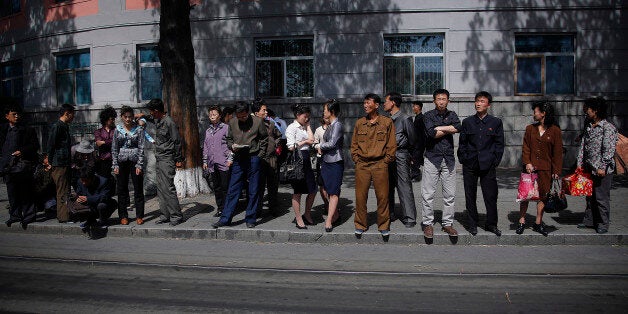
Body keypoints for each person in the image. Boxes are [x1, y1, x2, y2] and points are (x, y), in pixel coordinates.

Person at [212, 102, 268, 229]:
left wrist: (260, 155)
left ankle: (250, 218)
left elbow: (264, 139)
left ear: (248, 113)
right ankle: (225, 219)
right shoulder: (232, 122)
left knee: (253, 190)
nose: (242, 119)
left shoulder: (258, 122)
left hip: (253, 157)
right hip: (238, 158)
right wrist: (232, 146)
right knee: (233, 189)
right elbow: (229, 139)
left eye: (244, 116)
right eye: (239, 116)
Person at [457, 91, 504, 236]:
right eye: (477, 101)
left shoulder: (495, 122)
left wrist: (494, 161)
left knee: (490, 196)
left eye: (482, 101)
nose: (478, 104)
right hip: (470, 165)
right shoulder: (467, 122)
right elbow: (462, 143)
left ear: (488, 105)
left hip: (487, 165)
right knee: (470, 195)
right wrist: (464, 159)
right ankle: (472, 224)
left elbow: (499, 144)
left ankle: (491, 224)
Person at [351, 93, 396, 239]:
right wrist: (356, 159)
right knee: (360, 196)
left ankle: (383, 225)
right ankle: (360, 224)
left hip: (380, 164)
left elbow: (391, 144)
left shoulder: (386, 122)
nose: (365, 105)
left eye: (368, 103)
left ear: (376, 105)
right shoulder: (359, 123)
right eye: (364, 103)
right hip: (362, 165)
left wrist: (386, 161)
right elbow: (354, 145)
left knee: (382, 197)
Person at [517, 101, 563, 236]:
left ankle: (538, 222)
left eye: (535, 111)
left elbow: (558, 153)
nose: (533, 114)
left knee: (543, 196)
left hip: (546, 169)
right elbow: (525, 147)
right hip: (529, 169)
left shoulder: (555, 130)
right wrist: (527, 163)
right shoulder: (530, 128)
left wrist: (556, 171)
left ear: (543, 113)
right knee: (525, 196)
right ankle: (521, 221)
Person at [136, 99, 184, 226]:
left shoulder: (169, 122)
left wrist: (179, 159)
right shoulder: (158, 120)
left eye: (151, 111)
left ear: (156, 111)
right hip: (159, 157)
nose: (151, 114)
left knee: (168, 187)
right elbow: (151, 119)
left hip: (167, 159)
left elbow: (177, 141)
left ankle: (176, 216)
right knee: (161, 188)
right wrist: (143, 116)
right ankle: (165, 215)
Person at [421, 89, 461, 239]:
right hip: (432, 158)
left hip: (449, 159)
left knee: (450, 195)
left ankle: (447, 224)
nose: (441, 101)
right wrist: (449, 129)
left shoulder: (452, 114)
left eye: (444, 99)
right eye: (439, 99)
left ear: (448, 101)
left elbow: (459, 127)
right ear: (434, 101)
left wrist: (440, 127)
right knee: (428, 194)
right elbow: (432, 134)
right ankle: (428, 224)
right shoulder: (428, 115)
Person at [577, 97, 618, 234]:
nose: (585, 111)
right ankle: (590, 220)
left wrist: (603, 166)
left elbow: (609, 149)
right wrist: (580, 163)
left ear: (595, 110)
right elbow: (584, 145)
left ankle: (603, 223)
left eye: (587, 109)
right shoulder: (589, 125)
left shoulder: (608, 128)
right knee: (590, 196)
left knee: (601, 197)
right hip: (589, 167)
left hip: (601, 169)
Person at [0, 105, 39, 229]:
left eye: (18, 114)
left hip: (22, 166)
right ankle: (15, 215)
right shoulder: (3, 130)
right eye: (14, 114)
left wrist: (21, 151)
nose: (17, 116)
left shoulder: (27, 130)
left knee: (25, 191)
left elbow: (34, 146)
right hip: (7, 167)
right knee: (12, 192)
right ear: (7, 116)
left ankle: (29, 215)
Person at [383, 92, 418, 228]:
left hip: (400, 156)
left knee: (404, 187)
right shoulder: (386, 120)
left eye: (386, 101)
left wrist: (410, 158)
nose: (384, 103)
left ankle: (409, 217)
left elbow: (413, 140)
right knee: (387, 186)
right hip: (387, 157)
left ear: (393, 102)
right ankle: (390, 213)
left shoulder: (404, 119)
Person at [112, 106, 146, 225]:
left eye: (130, 117)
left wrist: (139, 165)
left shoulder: (139, 129)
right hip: (121, 161)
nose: (128, 119)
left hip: (135, 161)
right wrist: (115, 164)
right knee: (122, 190)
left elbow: (142, 147)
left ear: (133, 117)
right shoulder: (117, 130)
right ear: (122, 117)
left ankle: (139, 215)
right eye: (125, 117)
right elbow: (114, 148)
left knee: (138, 189)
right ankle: (123, 216)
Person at [285, 104, 317, 229]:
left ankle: (307, 214)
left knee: (313, 190)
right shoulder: (291, 128)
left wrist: (308, 126)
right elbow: (290, 147)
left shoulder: (304, 127)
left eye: (309, 117)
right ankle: (298, 218)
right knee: (297, 192)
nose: (307, 119)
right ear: (298, 115)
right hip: (297, 160)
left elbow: (312, 139)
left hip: (306, 159)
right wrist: (304, 142)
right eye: (305, 116)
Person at [46, 103, 75, 223]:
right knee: (62, 190)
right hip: (59, 163)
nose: (73, 117)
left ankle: (65, 214)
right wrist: (49, 161)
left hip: (64, 162)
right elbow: (51, 144)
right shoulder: (57, 126)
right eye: (72, 115)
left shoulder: (63, 126)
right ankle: (63, 217)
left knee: (65, 189)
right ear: (67, 114)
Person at [252, 99, 282, 216]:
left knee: (273, 185)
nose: (266, 112)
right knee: (258, 186)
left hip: (271, 159)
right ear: (256, 113)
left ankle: (273, 208)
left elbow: (279, 136)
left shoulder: (271, 123)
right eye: (263, 110)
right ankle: (257, 209)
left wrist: (275, 144)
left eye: (266, 110)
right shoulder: (252, 125)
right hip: (259, 159)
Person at [318, 99, 344, 232]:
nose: (323, 112)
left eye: (325, 110)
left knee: (333, 192)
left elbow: (332, 143)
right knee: (326, 189)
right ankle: (336, 214)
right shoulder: (330, 125)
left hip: (335, 162)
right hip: (326, 161)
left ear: (331, 111)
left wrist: (319, 146)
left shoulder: (337, 125)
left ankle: (329, 221)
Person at [203, 105, 232, 218]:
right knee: (217, 188)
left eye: (214, 114)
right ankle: (220, 209)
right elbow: (205, 146)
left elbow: (231, 144)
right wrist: (205, 161)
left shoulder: (226, 128)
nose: (212, 116)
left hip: (224, 162)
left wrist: (230, 159)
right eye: (210, 114)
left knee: (225, 187)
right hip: (212, 162)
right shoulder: (208, 131)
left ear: (219, 116)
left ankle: (227, 209)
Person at [74, 165, 117, 236]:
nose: (84, 183)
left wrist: (88, 199)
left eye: (86, 181)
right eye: (83, 181)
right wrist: (77, 198)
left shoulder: (103, 181)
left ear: (92, 178)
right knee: (76, 205)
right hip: (89, 205)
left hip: (103, 204)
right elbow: (79, 193)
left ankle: (103, 221)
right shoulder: (80, 181)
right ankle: (90, 220)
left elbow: (104, 197)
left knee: (101, 206)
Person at [94, 105, 116, 183]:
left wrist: (104, 141)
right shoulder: (98, 131)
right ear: (106, 120)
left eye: (114, 119)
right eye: (112, 119)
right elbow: (99, 143)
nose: (113, 121)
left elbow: (116, 141)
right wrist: (110, 141)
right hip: (104, 158)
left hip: (116, 158)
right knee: (104, 178)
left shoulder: (116, 130)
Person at [313, 116, 330, 213]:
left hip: (331, 158)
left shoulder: (334, 128)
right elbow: (314, 142)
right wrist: (318, 147)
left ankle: (332, 204)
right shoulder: (318, 130)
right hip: (321, 158)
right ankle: (326, 203)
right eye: (325, 117)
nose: (327, 118)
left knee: (330, 183)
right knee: (322, 183)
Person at [411, 101, 426, 181]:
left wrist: (420, 144)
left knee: (415, 159)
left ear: (419, 107)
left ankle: (416, 175)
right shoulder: (417, 117)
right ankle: (415, 174)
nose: (413, 108)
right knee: (415, 159)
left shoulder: (421, 118)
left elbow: (421, 133)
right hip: (416, 143)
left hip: (419, 143)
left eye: (414, 106)